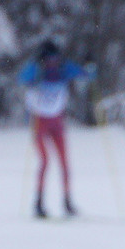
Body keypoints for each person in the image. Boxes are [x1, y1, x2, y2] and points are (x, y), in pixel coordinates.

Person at [19, 40, 91, 219]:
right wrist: (33, 70)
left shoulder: (63, 69)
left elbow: (85, 74)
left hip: (57, 121)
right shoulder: (37, 70)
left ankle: (67, 202)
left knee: (65, 162)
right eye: (49, 59)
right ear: (43, 59)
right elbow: (22, 78)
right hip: (39, 122)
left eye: (56, 59)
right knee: (44, 161)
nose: (53, 62)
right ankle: (38, 203)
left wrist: (90, 67)